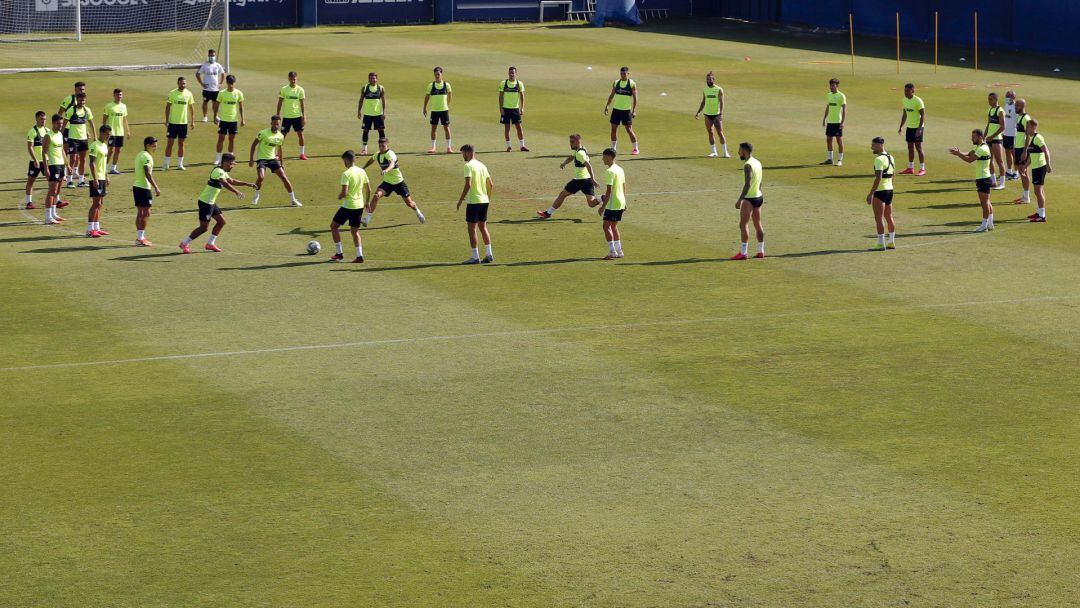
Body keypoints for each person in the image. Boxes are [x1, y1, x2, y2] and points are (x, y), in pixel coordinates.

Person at [179, 153, 255, 253]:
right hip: (205, 203)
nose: (232, 166)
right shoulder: (217, 171)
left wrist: (247, 184)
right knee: (203, 228)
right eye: (231, 164)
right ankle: (184, 243)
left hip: (211, 202)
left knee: (221, 222)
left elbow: (231, 181)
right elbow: (225, 183)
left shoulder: (222, 171)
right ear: (226, 163)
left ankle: (210, 244)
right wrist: (236, 192)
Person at [361, 138, 425, 226]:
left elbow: (392, 164)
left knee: (409, 203)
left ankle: (418, 212)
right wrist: (363, 168)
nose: (381, 148)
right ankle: (367, 219)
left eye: (383, 146)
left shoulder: (390, 154)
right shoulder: (378, 155)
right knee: (376, 196)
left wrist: (386, 170)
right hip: (387, 183)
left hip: (398, 182)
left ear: (387, 146)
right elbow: (371, 160)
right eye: (379, 146)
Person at [537, 133, 600, 218]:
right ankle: (603, 198)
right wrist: (564, 163)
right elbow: (571, 157)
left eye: (572, 142)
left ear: (578, 142)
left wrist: (594, 179)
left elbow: (588, 165)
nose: (570, 143)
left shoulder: (580, 154)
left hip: (579, 180)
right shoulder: (581, 149)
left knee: (562, 194)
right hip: (587, 180)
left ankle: (548, 213)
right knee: (591, 203)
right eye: (570, 141)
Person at [329, 150, 372, 263]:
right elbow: (369, 189)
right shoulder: (362, 171)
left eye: (344, 160)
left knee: (334, 226)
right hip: (359, 206)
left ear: (347, 160)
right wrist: (367, 202)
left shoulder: (346, 174)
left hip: (348, 206)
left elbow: (345, 192)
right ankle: (359, 256)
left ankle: (339, 253)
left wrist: (339, 196)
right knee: (354, 231)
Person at [248, 115, 301, 207]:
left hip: (272, 159)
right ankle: (256, 195)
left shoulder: (280, 136)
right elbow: (253, 145)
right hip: (262, 159)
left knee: (284, 178)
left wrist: (281, 163)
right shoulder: (263, 133)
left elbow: (279, 150)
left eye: (277, 124)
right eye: (274, 124)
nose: (275, 126)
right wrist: (251, 159)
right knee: (261, 177)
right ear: (271, 123)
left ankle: (293, 199)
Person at [949, 129, 995, 233]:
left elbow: (970, 160)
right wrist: (959, 152)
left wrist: (958, 154)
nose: (971, 139)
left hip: (983, 179)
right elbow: (969, 154)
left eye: (973, 137)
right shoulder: (979, 147)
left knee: (984, 203)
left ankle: (984, 225)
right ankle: (990, 223)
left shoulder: (983, 148)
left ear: (980, 137)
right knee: (987, 202)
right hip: (983, 177)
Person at [456, 144, 495, 264]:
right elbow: (491, 184)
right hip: (484, 201)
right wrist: (487, 198)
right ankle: (489, 254)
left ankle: (475, 256)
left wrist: (460, 200)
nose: (462, 156)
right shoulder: (482, 165)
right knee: (483, 227)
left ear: (467, 152)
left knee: (471, 228)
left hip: (474, 202)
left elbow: (468, 184)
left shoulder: (468, 166)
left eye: (462, 153)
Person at [731, 142, 765, 259]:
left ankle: (743, 252)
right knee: (758, 224)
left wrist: (740, 200)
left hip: (749, 198)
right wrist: (758, 192)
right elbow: (760, 181)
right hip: (758, 197)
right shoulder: (758, 162)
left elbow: (747, 184)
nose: (738, 152)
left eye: (739, 150)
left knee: (743, 224)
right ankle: (761, 250)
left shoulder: (748, 165)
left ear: (744, 151)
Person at [866, 137, 896, 250]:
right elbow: (894, 174)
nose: (871, 147)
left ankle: (880, 243)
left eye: (873, 145)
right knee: (889, 216)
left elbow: (878, 178)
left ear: (880, 145)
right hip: (890, 190)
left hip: (880, 191)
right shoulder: (891, 157)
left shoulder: (878, 159)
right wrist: (891, 185)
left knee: (878, 217)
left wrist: (871, 194)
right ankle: (891, 242)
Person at [1018, 118, 1051, 223]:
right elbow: (1032, 156)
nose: (1026, 129)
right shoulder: (1033, 139)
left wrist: (1048, 165)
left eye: (1027, 127)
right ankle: (1039, 212)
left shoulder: (1038, 138)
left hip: (1040, 168)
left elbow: (1046, 151)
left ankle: (1042, 216)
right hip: (1036, 168)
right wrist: (1025, 166)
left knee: (1038, 191)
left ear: (1033, 127)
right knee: (1039, 191)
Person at [132, 136, 162, 246]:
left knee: (141, 212)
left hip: (137, 186)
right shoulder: (147, 157)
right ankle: (140, 238)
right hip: (144, 187)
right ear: (148, 145)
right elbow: (148, 174)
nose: (155, 147)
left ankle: (139, 236)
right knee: (146, 213)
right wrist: (156, 187)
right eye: (154, 145)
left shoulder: (140, 154)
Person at [62, 92, 95, 188]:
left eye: (83, 100)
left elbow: (91, 123)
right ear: (77, 100)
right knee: (73, 159)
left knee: (83, 159)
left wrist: (95, 136)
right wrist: (60, 135)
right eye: (80, 100)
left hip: (83, 139)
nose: (82, 102)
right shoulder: (71, 110)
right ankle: (69, 180)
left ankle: (81, 180)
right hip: (73, 139)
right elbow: (64, 123)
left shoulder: (87, 110)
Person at [598, 148, 627, 259]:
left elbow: (609, 191)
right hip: (620, 202)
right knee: (614, 226)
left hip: (613, 203)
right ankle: (619, 251)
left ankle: (612, 252)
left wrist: (602, 207)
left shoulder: (609, 172)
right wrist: (624, 201)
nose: (602, 159)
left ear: (609, 157)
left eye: (604, 156)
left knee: (606, 226)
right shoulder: (620, 169)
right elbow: (624, 186)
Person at [603, 66, 639, 155]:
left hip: (626, 111)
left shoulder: (632, 84)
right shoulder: (616, 83)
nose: (622, 75)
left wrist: (634, 110)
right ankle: (613, 148)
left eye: (624, 74)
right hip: (616, 110)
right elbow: (611, 95)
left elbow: (635, 98)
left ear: (628, 74)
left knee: (629, 130)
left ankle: (636, 148)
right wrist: (607, 106)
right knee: (613, 129)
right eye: (621, 73)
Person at [163, 76, 195, 170]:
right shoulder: (172, 93)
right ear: (178, 83)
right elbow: (168, 107)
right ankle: (166, 164)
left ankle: (180, 164)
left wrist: (192, 121)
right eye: (181, 83)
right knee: (170, 143)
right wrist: (166, 120)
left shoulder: (188, 94)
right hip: (173, 123)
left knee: (181, 144)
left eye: (184, 83)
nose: (183, 85)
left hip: (183, 123)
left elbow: (191, 108)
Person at [695, 71, 728, 158]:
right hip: (707, 114)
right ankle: (714, 152)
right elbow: (703, 101)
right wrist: (698, 112)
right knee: (710, 132)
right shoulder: (705, 89)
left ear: (713, 79)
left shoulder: (719, 89)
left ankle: (725, 152)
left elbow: (722, 102)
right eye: (707, 79)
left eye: (710, 79)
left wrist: (721, 113)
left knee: (720, 132)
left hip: (716, 115)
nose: (708, 81)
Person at [86, 125, 111, 238]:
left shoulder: (104, 146)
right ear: (101, 132)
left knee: (100, 203)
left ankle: (97, 227)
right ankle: (89, 229)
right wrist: (95, 179)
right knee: (96, 204)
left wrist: (106, 176)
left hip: (101, 177)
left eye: (109, 134)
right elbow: (92, 163)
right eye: (106, 133)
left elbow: (103, 163)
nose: (108, 136)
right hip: (95, 178)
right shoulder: (94, 145)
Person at [213, 74, 245, 165]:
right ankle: (218, 159)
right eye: (229, 83)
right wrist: (215, 116)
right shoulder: (222, 93)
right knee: (221, 138)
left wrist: (243, 119)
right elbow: (216, 106)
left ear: (234, 83)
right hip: (223, 120)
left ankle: (231, 158)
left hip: (233, 120)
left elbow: (241, 107)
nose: (230, 85)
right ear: (226, 83)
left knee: (231, 139)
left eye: (232, 83)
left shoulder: (238, 93)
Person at [42, 114, 68, 224]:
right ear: (53, 123)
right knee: (51, 192)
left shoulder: (60, 135)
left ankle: (54, 214)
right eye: (58, 124)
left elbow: (62, 150)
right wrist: (46, 168)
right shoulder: (48, 136)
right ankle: (48, 217)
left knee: (57, 192)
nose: (60, 126)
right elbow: (44, 153)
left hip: (61, 165)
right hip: (53, 165)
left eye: (61, 124)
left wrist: (68, 165)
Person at [277, 71, 308, 160]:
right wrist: (278, 115)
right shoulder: (284, 89)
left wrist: (303, 116)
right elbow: (280, 102)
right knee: (282, 136)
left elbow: (302, 104)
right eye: (291, 79)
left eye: (294, 79)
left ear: (296, 79)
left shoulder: (300, 90)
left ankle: (302, 154)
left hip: (297, 116)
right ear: (288, 79)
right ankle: (278, 154)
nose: (293, 81)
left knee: (300, 134)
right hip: (287, 117)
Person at [423, 66, 453, 154]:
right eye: (435, 74)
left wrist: (447, 104)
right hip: (434, 110)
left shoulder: (446, 85)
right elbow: (427, 96)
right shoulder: (431, 85)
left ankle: (449, 147)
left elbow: (450, 93)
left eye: (438, 74)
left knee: (446, 128)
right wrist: (424, 107)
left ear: (441, 74)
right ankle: (433, 147)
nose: (437, 76)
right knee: (433, 129)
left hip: (444, 110)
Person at [897, 83, 925, 175]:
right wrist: (901, 126)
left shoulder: (918, 101)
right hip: (910, 127)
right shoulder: (904, 100)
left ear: (913, 91)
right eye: (904, 90)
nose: (905, 92)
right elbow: (905, 114)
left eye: (907, 91)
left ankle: (922, 169)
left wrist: (919, 129)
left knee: (918, 147)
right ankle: (910, 168)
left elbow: (923, 115)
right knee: (910, 147)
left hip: (918, 127)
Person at [499, 66, 528, 152]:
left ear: (516, 73)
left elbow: (522, 96)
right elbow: (500, 96)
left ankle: (522, 146)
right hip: (506, 109)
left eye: (513, 73)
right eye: (510, 72)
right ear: (508, 73)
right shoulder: (503, 83)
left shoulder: (519, 84)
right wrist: (501, 108)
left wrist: (522, 108)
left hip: (515, 109)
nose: (511, 74)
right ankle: (509, 146)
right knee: (507, 128)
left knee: (519, 127)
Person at [357, 72, 386, 156]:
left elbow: (384, 101)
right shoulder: (365, 88)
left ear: (377, 79)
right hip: (367, 114)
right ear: (368, 79)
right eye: (371, 78)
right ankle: (364, 149)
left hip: (378, 114)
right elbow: (361, 100)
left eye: (374, 78)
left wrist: (384, 112)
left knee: (381, 131)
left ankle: (383, 148)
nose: (372, 80)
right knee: (365, 131)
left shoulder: (380, 88)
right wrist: (359, 111)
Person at [103, 88, 131, 175]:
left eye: (120, 95)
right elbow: (104, 118)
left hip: (120, 132)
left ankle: (113, 168)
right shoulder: (108, 106)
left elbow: (125, 119)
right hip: (111, 132)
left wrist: (128, 131)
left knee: (118, 150)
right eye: (117, 95)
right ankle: (104, 167)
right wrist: (104, 130)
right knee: (111, 150)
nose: (119, 96)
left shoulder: (124, 106)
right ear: (114, 95)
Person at [24, 111, 48, 210]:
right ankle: (29, 202)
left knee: (52, 181)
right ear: (37, 119)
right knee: (31, 181)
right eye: (42, 119)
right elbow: (30, 147)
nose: (43, 121)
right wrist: (35, 160)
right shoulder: (32, 131)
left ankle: (57, 200)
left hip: (46, 160)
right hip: (35, 161)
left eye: (45, 119)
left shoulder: (47, 130)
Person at [1011, 98, 1034, 204]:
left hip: (1022, 149)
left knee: (1023, 172)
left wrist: (1025, 151)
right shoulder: (1019, 117)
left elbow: (1028, 136)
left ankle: (1026, 197)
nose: (1016, 108)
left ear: (1023, 106)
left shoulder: (1026, 119)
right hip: (1018, 148)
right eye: (1015, 106)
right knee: (1021, 172)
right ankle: (1025, 196)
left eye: (1017, 106)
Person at [983, 92, 1007, 189]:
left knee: (999, 161)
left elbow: (1003, 127)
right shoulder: (990, 110)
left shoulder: (1000, 111)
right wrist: (984, 136)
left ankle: (1002, 183)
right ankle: (993, 182)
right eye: (988, 99)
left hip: (997, 140)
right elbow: (988, 125)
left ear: (996, 100)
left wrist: (992, 136)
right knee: (989, 160)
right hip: (989, 139)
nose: (989, 101)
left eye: (991, 99)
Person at [195, 49, 225, 122]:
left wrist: (220, 83)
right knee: (205, 102)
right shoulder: (205, 65)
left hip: (215, 89)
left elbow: (223, 73)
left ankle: (216, 116)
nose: (212, 57)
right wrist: (201, 83)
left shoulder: (218, 65)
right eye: (211, 55)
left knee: (215, 103)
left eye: (213, 55)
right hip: (207, 89)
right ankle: (205, 117)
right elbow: (198, 74)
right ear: (208, 56)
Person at [1002, 90, 1019, 180]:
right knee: (1007, 152)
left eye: (1008, 96)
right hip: (1005, 133)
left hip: (1013, 134)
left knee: (1014, 154)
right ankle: (1009, 171)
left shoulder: (1016, 107)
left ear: (1013, 97)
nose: (1006, 98)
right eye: (1006, 96)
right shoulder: (1006, 105)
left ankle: (1016, 173)